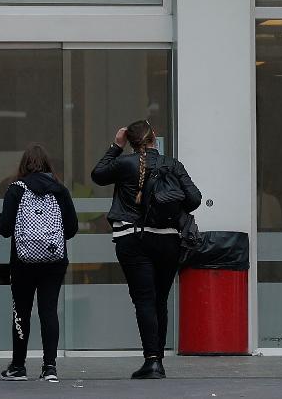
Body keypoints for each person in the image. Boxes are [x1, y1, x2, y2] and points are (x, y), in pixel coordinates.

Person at [91, 120, 201, 380]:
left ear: (131, 141)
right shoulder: (172, 164)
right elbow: (195, 199)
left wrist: (115, 146)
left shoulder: (125, 163)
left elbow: (98, 174)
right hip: (168, 241)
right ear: (154, 139)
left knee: (144, 299)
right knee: (159, 300)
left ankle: (151, 361)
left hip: (133, 239)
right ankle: (158, 361)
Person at [0, 144, 78, 383]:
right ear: (47, 165)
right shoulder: (60, 190)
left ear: (23, 165)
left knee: (21, 312)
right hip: (54, 261)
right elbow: (72, 229)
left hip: (22, 261)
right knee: (48, 310)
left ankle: (18, 366)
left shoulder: (15, 190)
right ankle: (50, 367)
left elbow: (4, 230)